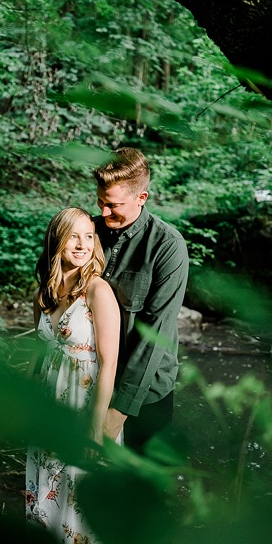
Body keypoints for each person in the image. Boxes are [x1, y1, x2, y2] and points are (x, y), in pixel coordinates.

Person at [24, 207, 120, 544]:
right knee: (47, 489)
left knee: (80, 494)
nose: (82, 244)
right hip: (48, 405)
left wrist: (97, 425)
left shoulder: (98, 290)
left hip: (84, 403)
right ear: (57, 240)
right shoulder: (43, 293)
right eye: (73, 236)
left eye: (88, 236)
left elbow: (109, 363)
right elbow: (39, 353)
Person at [92, 147, 189, 454]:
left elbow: (154, 334)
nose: (104, 213)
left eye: (114, 205)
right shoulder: (87, 233)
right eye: (100, 201)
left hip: (146, 393)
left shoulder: (168, 247)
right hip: (88, 382)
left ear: (141, 198)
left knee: (142, 487)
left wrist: (119, 411)